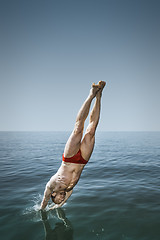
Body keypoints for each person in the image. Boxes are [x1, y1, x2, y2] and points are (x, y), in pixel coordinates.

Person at [41, 81, 106, 210]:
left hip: (69, 159)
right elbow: (61, 204)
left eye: (58, 199)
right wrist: (57, 207)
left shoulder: (51, 186)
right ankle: (99, 96)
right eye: (62, 199)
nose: (62, 199)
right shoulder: (69, 191)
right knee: (91, 130)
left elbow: (43, 202)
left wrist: (43, 211)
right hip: (83, 160)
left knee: (78, 129)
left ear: (53, 195)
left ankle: (91, 94)